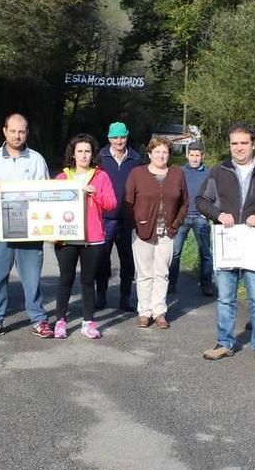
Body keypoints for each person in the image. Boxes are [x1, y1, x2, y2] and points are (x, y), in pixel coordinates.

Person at [196, 122, 255, 365]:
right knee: (225, 296)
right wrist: (217, 214)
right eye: (234, 143)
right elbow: (201, 201)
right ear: (230, 145)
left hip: (254, 242)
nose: (239, 148)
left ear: (253, 144)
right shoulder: (219, 171)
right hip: (228, 242)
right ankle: (224, 343)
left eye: (243, 143)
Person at [0, 114, 53, 339]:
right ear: (4, 131)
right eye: (13, 131)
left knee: (32, 277)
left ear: (27, 133)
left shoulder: (37, 159)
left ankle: (38, 319)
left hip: (30, 228)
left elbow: (46, 194)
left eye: (22, 131)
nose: (17, 135)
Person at [52, 134, 117, 339]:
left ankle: (88, 322)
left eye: (87, 151)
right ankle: (60, 320)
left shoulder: (101, 177)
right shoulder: (62, 178)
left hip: (93, 238)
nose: (83, 155)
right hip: (67, 237)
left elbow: (111, 204)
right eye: (79, 151)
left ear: (93, 154)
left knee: (88, 281)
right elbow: (50, 207)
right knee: (65, 279)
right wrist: (52, 232)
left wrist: (94, 193)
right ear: (73, 153)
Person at [124, 137, 189, 329]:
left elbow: (185, 202)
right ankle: (144, 312)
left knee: (162, 273)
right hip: (143, 231)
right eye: (157, 151)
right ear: (150, 153)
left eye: (165, 152)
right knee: (144, 274)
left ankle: (159, 311)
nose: (161, 155)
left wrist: (176, 225)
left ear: (169, 154)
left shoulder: (177, 174)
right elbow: (127, 202)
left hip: (167, 232)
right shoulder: (137, 173)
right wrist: (136, 224)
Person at [96, 122, 143, 311]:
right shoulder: (100, 157)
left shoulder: (136, 159)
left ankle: (125, 297)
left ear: (127, 137)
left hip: (127, 218)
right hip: (105, 217)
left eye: (122, 137)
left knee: (127, 260)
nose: (119, 141)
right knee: (102, 258)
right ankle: (101, 296)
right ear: (109, 139)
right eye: (115, 137)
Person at [168, 141, 214, 296]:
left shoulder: (209, 173)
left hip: (201, 218)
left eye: (198, 155)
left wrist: (208, 213)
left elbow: (215, 195)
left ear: (203, 156)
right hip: (183, 217)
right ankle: (171, 284)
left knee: (206, 253)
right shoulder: (178, 172)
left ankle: (207, 285)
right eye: (192, 155)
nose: (194, 159)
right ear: (187, 155)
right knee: (175, 253)